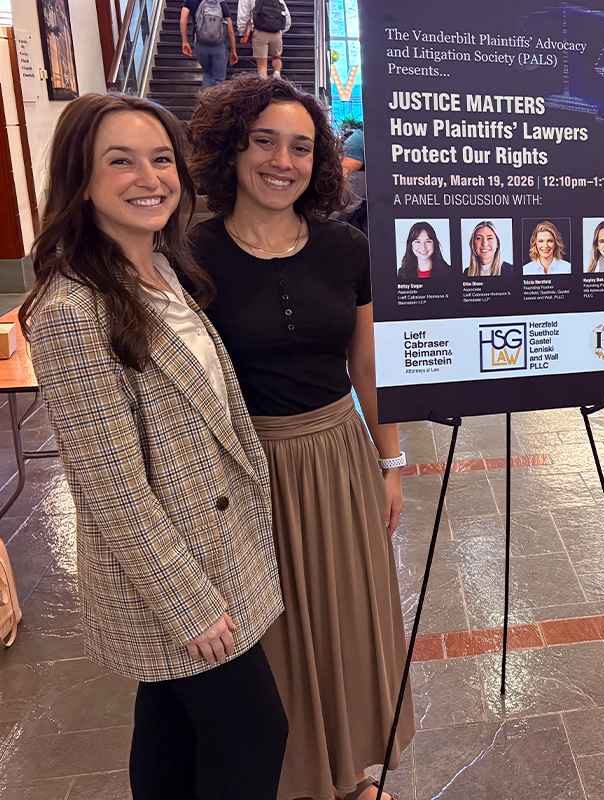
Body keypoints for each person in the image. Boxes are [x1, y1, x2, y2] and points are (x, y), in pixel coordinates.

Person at [19, 93, 287, 799]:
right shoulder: (73, 310)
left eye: (161, 159)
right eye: (121, 161)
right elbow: (110, 485)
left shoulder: (165, 268)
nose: (150, 177)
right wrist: (189, 603)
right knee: (256, 734)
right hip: (172, 572)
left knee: (171, 727)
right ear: (80, 177)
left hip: (215, 547)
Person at [186, 74, 414, 800]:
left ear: (320, 160)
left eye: (301, 147)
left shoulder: (345, 247)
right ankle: (289, 781)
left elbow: (367, 364)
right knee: (270, 634)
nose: (282, 160)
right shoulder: (191, 256)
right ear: (234, 147)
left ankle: (349, 773)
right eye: (265, 142)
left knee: (346, 618)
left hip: (337, 455)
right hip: (242, 469)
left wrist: (392, 461)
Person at [180, 0, 237, 89]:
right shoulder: (221, 3)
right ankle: (218, 102)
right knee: (219, 79)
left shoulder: (191, 1)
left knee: (207, 73)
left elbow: (183, 21)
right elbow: (230, 30)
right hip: (218, 45)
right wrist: (233, 51)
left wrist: (185, 42)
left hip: (200, 44)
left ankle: (206, 100)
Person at [237, 0, 290, 79]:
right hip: (276, 33)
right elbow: (286, 14)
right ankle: (277, 74)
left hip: (260, 32)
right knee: (276, 58)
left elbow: (243, 15)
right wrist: (281, 30)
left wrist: (242, 33)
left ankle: (265, 85)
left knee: (262, 69)